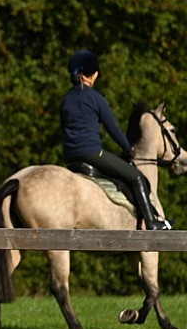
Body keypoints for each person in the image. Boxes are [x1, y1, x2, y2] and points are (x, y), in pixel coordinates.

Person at [60, 50, 171, 229]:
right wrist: (129, 149)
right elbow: (114, 130)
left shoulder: (66, 100)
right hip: (93, 153)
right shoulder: (96, 98)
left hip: (70, 156)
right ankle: (151, 222)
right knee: (137, 177)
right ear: (92, 74)